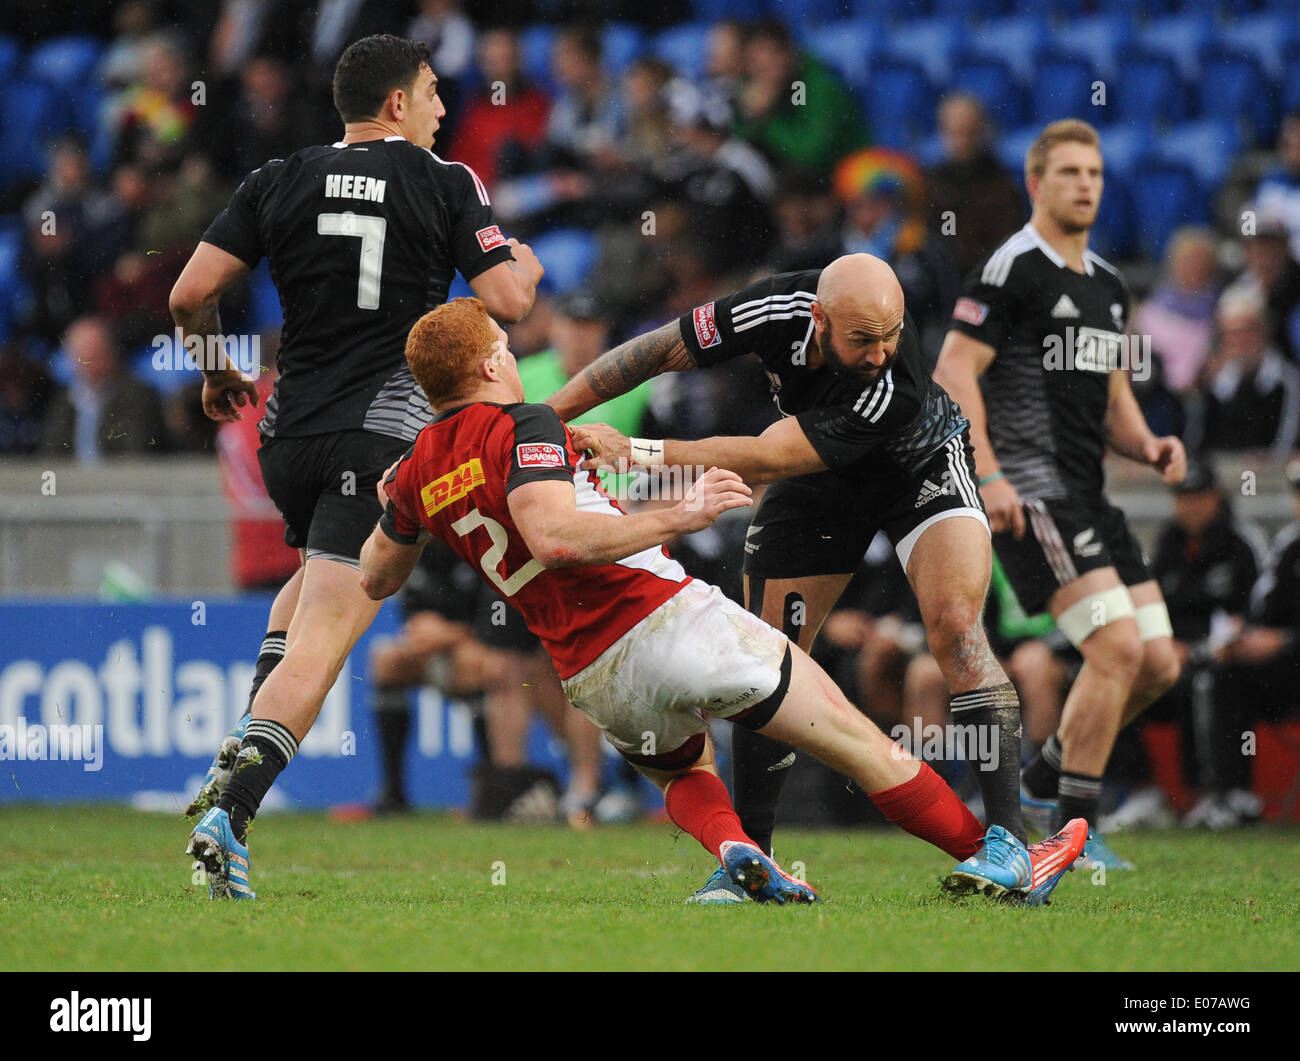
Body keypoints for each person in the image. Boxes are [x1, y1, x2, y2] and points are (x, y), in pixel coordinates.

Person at [358, 297, 1087, 905]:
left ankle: (737, 850)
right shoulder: (523, 425)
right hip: (669, 621)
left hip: (589, 672)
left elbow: (375, 576)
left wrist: (399, 500)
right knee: (861, 743)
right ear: (489, 366)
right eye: (506, 348)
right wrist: (682, 512)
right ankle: (1010, 860)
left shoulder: (419, 466)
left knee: (683, 772)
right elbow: (554, 537)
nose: (517, 358)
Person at [549, 253, 1047, 904]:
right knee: (766, 663)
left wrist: (640, 451)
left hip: (918, 467)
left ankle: (1010, 843)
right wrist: (539, 419)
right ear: (818, 317)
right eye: (863, 339)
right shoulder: (774, 306)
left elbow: (766, 456)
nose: (880, 352)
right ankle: (752, 857)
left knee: (955, 628)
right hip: (817, 479)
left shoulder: (891, 381)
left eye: (891, 335)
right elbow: (656, 351)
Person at [171, 34, 544, 897]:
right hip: (377, 439)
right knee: (330, 635)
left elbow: (189, 294)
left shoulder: (277, 177)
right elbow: (509, 303)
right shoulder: (445, 180)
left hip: (288, 434)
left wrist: (216, 368)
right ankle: (232, 814)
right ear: (396, 104)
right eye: (434, 93)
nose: (445, 109)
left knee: (307, 586)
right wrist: (517, 260)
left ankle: (237, 757)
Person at [932, 119, 1185, 868]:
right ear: (1037, 185)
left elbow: (1113, 394)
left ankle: (1042, 778)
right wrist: (989, 474)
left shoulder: (1107, 284)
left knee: (1161, 662)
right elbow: (953, 369)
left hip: (1091, 494)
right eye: (1070, 172)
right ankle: (1072, 828)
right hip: (1032, 490)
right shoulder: (1013, 267)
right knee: (1115, 647)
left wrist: (1147, 443)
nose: (1086, 185)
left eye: (1096, 173)